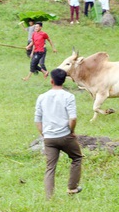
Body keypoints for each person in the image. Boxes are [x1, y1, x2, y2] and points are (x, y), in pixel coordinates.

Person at [35, 68, 83, 198]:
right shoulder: (69, 96)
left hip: (49, 138)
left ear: (51, 81)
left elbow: (38, 120)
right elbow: (72, 118)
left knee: (50, 168)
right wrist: (71, 131)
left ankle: (49, 197)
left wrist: (44, 134)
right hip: (66, 136)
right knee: (77, 158)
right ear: (64, 81)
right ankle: (72, 188)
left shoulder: (42, 97)